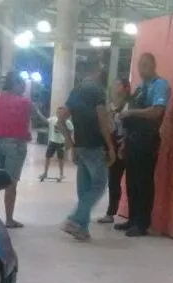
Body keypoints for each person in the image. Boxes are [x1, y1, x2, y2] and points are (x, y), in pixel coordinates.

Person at [58, 56, 116, 241]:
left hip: (80, 145)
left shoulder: (76, 91)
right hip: (94, 145)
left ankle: (81, 229)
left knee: (84, 189)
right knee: (99, 185)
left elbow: (61, 119)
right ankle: (74, 219)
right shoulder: (98, 91)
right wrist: (111, 146)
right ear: (97, 71)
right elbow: (102, 121)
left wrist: (71, 144)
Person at [116, 53, 170, 237]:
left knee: (143, 181)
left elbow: (157, 112)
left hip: (147, 139)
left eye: (145, 65)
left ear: (153, 65)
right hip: (133, 139)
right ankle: (132, 218)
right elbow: (129, 108)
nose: (141, 69)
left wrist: (132, 114)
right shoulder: (140, 87)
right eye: (139, 65)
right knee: (131, 181)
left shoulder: (160, 85)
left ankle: (142, 223)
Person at [0, 71, 32, 228]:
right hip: (15, 144)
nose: (24, 89)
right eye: (22, 85)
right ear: (16, 85)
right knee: (11, 183)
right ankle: (9, 219)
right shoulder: (24, 102)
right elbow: (24, 124)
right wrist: (27, 136)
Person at [98, 78, 132, 224]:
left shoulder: (131, 104)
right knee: (113, 180)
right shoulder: (111, 106)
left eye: (118, 85)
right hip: (115, 144)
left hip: (129, 144)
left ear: (125, 87)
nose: (114, 88)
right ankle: (110, 213)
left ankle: (133, 216)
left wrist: (125, 141)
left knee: (132, 181)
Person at [39, 108, 74, 182]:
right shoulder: (53, 119)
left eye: (60, 113)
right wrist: (38, 112)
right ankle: (45, 173)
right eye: (57, 112)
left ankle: (61, 174)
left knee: (60, 159)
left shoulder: (67, 122)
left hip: (61, 143)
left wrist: (67, 140)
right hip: (52, 141)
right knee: (47, 157)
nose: (58, 114)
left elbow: (71, 130)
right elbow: (45, 120)